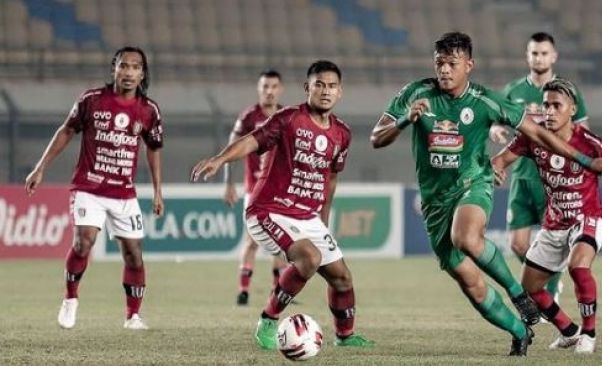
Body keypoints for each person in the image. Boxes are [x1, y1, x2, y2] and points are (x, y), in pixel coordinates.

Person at [370, 32, 602, 356]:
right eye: (439, 63)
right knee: (469, 283)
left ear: (469, 65)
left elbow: (539, 133)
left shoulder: (486, 100)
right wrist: (405, 119)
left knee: (467, 238)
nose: (444, 70)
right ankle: (519, 330)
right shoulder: (416, 93)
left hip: (475, 182)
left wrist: (585, 161)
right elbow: (376, 137)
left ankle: (518, 293)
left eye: (452, 64)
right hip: (434, 202)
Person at [192, 60, 374, 349]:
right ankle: (267, 319)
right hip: (268, 210)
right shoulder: (289, 118)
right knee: (309, 259)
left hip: (307, 216)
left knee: (342, 277)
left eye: (332, 86)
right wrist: (220, 159)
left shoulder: (342, 133)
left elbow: (331, 179)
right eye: (319, 85)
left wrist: (323, 219)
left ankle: (345, 337)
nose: (326, 91)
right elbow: (252, 140)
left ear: (340, 92)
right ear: (307, 88)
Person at [492, 78, 602, 354]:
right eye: (545, 105)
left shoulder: (591, 143)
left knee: (578, 266)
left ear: (572, 109)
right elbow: (500, 161)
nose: (549, 111)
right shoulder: (533, 137)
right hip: (555, 221)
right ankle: (569, 330)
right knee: (530, 287)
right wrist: (494, 171)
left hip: (588, 216)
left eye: (556, 106)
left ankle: (589, 333)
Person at [25, 46, 164, 330]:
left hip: (124, 193)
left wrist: (157, 190)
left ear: (142, 74)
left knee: (134, 254)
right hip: (89, 186)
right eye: (123, 66)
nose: (128, 72)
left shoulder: (149, 110)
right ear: (114, 68)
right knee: (83, 241)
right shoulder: (91, 100)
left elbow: (153, 148)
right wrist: (41, 167)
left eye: (135, 67)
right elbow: (66, 130)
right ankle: (70, 299)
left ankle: (132, 315)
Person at [490, 32, 590, 302]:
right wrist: (497, 132)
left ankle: (549, 290)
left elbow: (583, 132)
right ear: (527, 56)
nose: (539, 57)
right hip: (522, 177)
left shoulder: (568, 91)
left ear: (554, 56)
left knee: (555, 241)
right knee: (518, 244)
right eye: (534, 53)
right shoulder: (513, 91)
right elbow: (495, 123)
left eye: (544, 53)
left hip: (555, 181)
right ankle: (549, 279)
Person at [223, 69, 289, 306]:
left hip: (281, 191)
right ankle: (243, 291)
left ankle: (278, 291)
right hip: (255, 190)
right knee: (252, 240)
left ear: (280, 89)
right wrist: (229, 183)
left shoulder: (286, 115)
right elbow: (231, 148)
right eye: (265, 87)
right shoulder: (249, 117)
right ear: (258, 89)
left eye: (273, 87)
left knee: (281, 243)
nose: (269, 91)